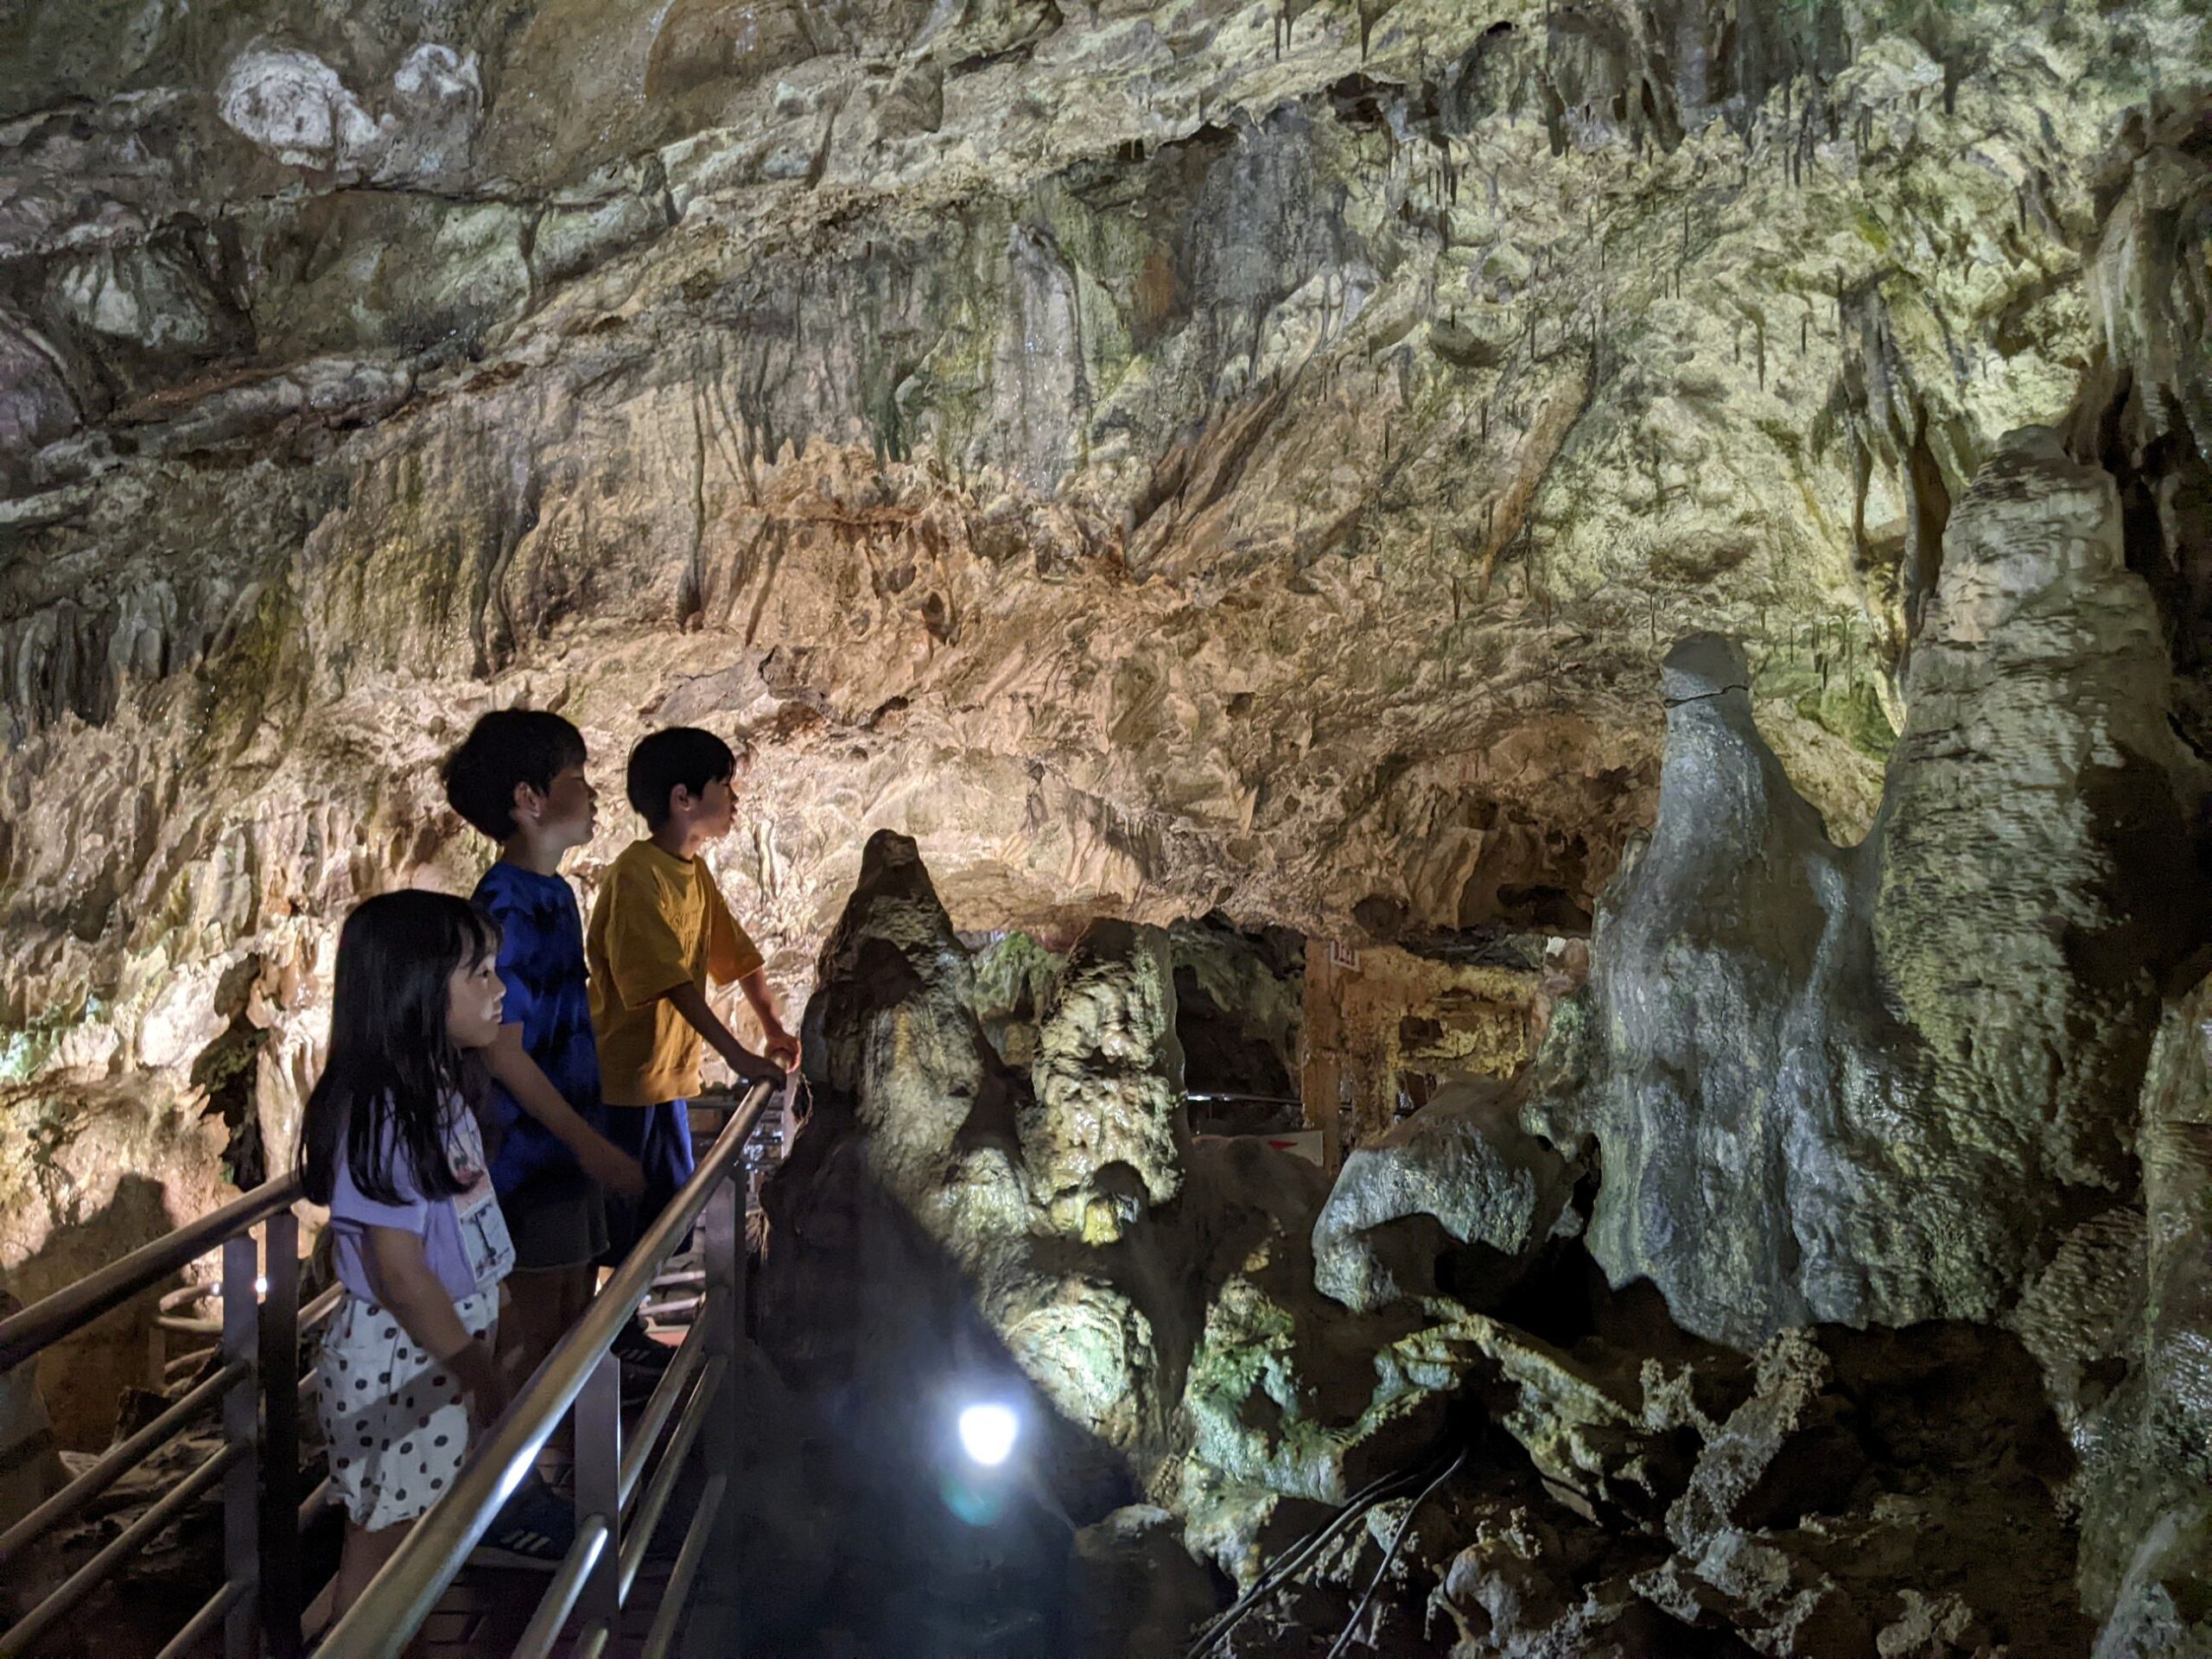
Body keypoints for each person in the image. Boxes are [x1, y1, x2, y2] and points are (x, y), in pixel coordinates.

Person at [301, 891, 543, 1616]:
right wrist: (478, 1373)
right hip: (402, 1359)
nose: (499, 990)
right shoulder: (386, 1112)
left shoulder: (433, 1089)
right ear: (414, 991)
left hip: (432, 1350)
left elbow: (456, 1227)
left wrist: (494, 1323)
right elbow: (402, 1274)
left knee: (414, 1543)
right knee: (385, 1553)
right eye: (479, 975)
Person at [441, 710, 646, 1411]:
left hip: (561, 1149)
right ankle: (526, 1494)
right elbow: (504, 1050)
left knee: (571, 1331)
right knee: (540, 1343)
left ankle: (555, 1487)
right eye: (577, 780)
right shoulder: (506, 905)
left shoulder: (554, 895)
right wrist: (591, 1145)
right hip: (530, 1157)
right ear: (530, 800)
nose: (593, 795)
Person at [587, 728, 798, 1364]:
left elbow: (737, 955)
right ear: (683, 798)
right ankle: (605, 1341)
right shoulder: (635, 875)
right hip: (623, 1082)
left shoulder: (693, 874)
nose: (735, 798)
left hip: (667, 1082)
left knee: (666, 1217)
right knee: (619, 1223)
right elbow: (672, 983)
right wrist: (737, 1056)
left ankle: (624, 1329)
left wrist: (772, 1026)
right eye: (723, 785)